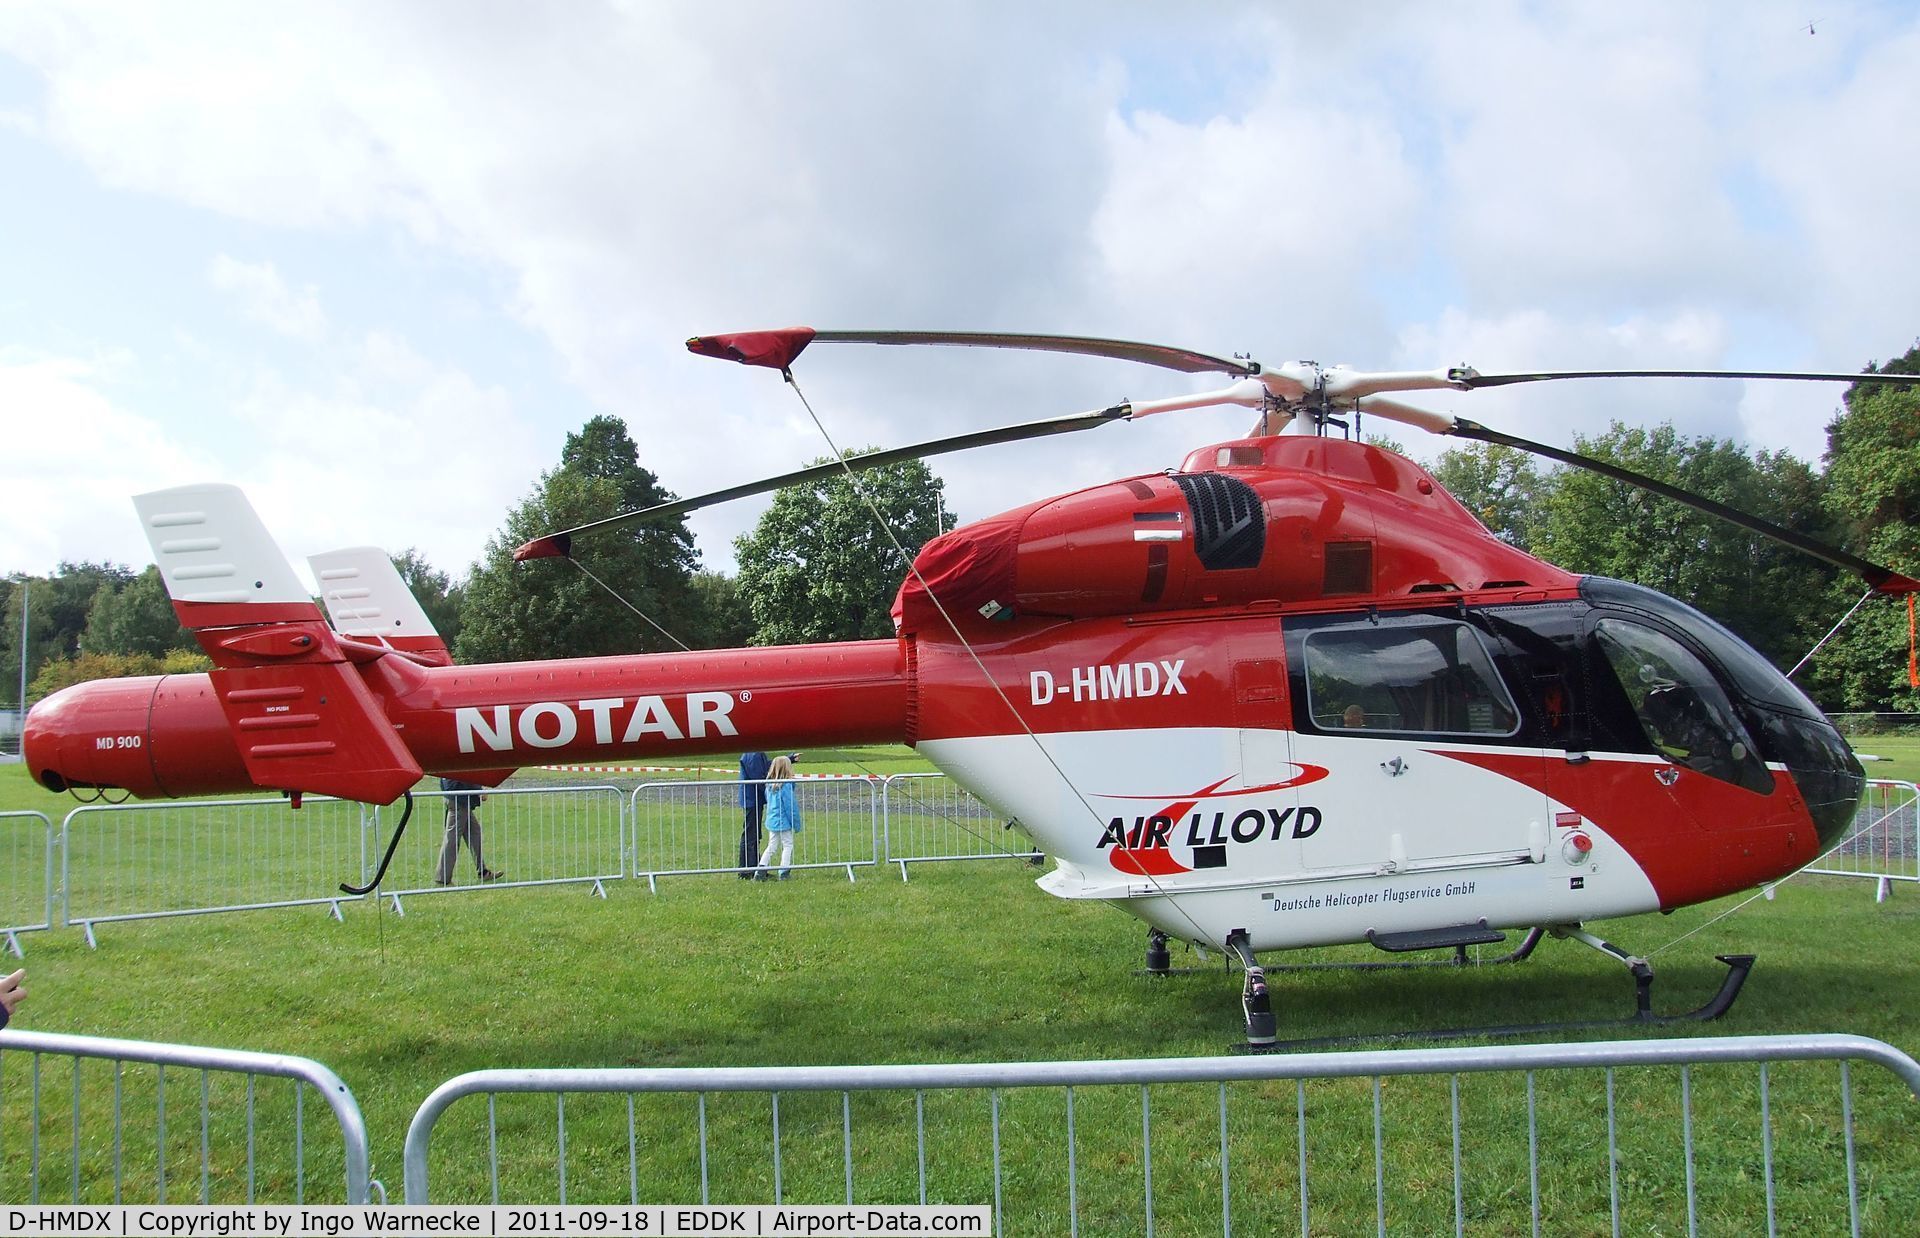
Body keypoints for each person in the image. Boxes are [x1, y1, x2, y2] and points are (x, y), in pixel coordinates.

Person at [436, 777, 503, 885]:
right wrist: (479, 790)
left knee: (474, 832)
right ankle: (442, 877)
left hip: (457, 798)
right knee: (452, 838)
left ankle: (483, 871)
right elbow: (464, 776)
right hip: (459, 799)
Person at [752, 755, 803, 881]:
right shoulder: (785, 786)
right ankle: (784, 871)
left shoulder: (769, 785)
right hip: (783, 821)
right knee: (787, 845)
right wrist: (796, 823)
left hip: (772, 820)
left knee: (772, 846)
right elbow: (790, 806)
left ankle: (760, 870)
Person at [737, 751, 771, 878]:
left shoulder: (756, 753)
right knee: (750, 835)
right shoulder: (753, 755)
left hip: (754, 799)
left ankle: (754, 868)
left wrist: (787, 759)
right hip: (752, 799)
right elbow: (759, 778)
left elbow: (766, 765)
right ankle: (747, 870)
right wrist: (772, 791)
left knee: (754, 834)